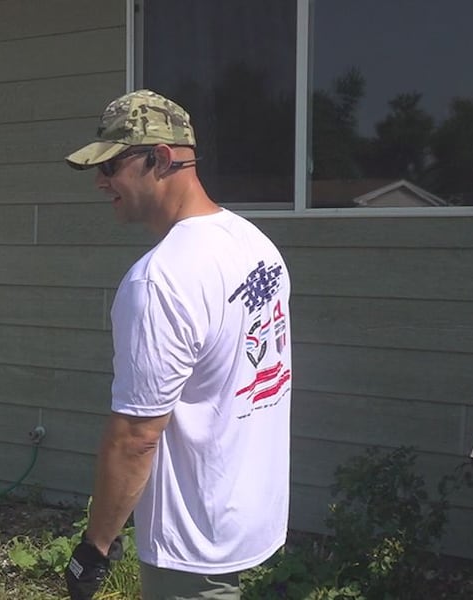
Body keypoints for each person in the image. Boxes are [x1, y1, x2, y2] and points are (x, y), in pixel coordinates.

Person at [62, 90, 292, 600]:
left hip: (194, 537)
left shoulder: (160, 280)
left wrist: (95, 546)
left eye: (112, 166)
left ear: (162, 159)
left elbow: (137, 436)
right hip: (253, 512)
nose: (101, 183)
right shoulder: (253, 243)